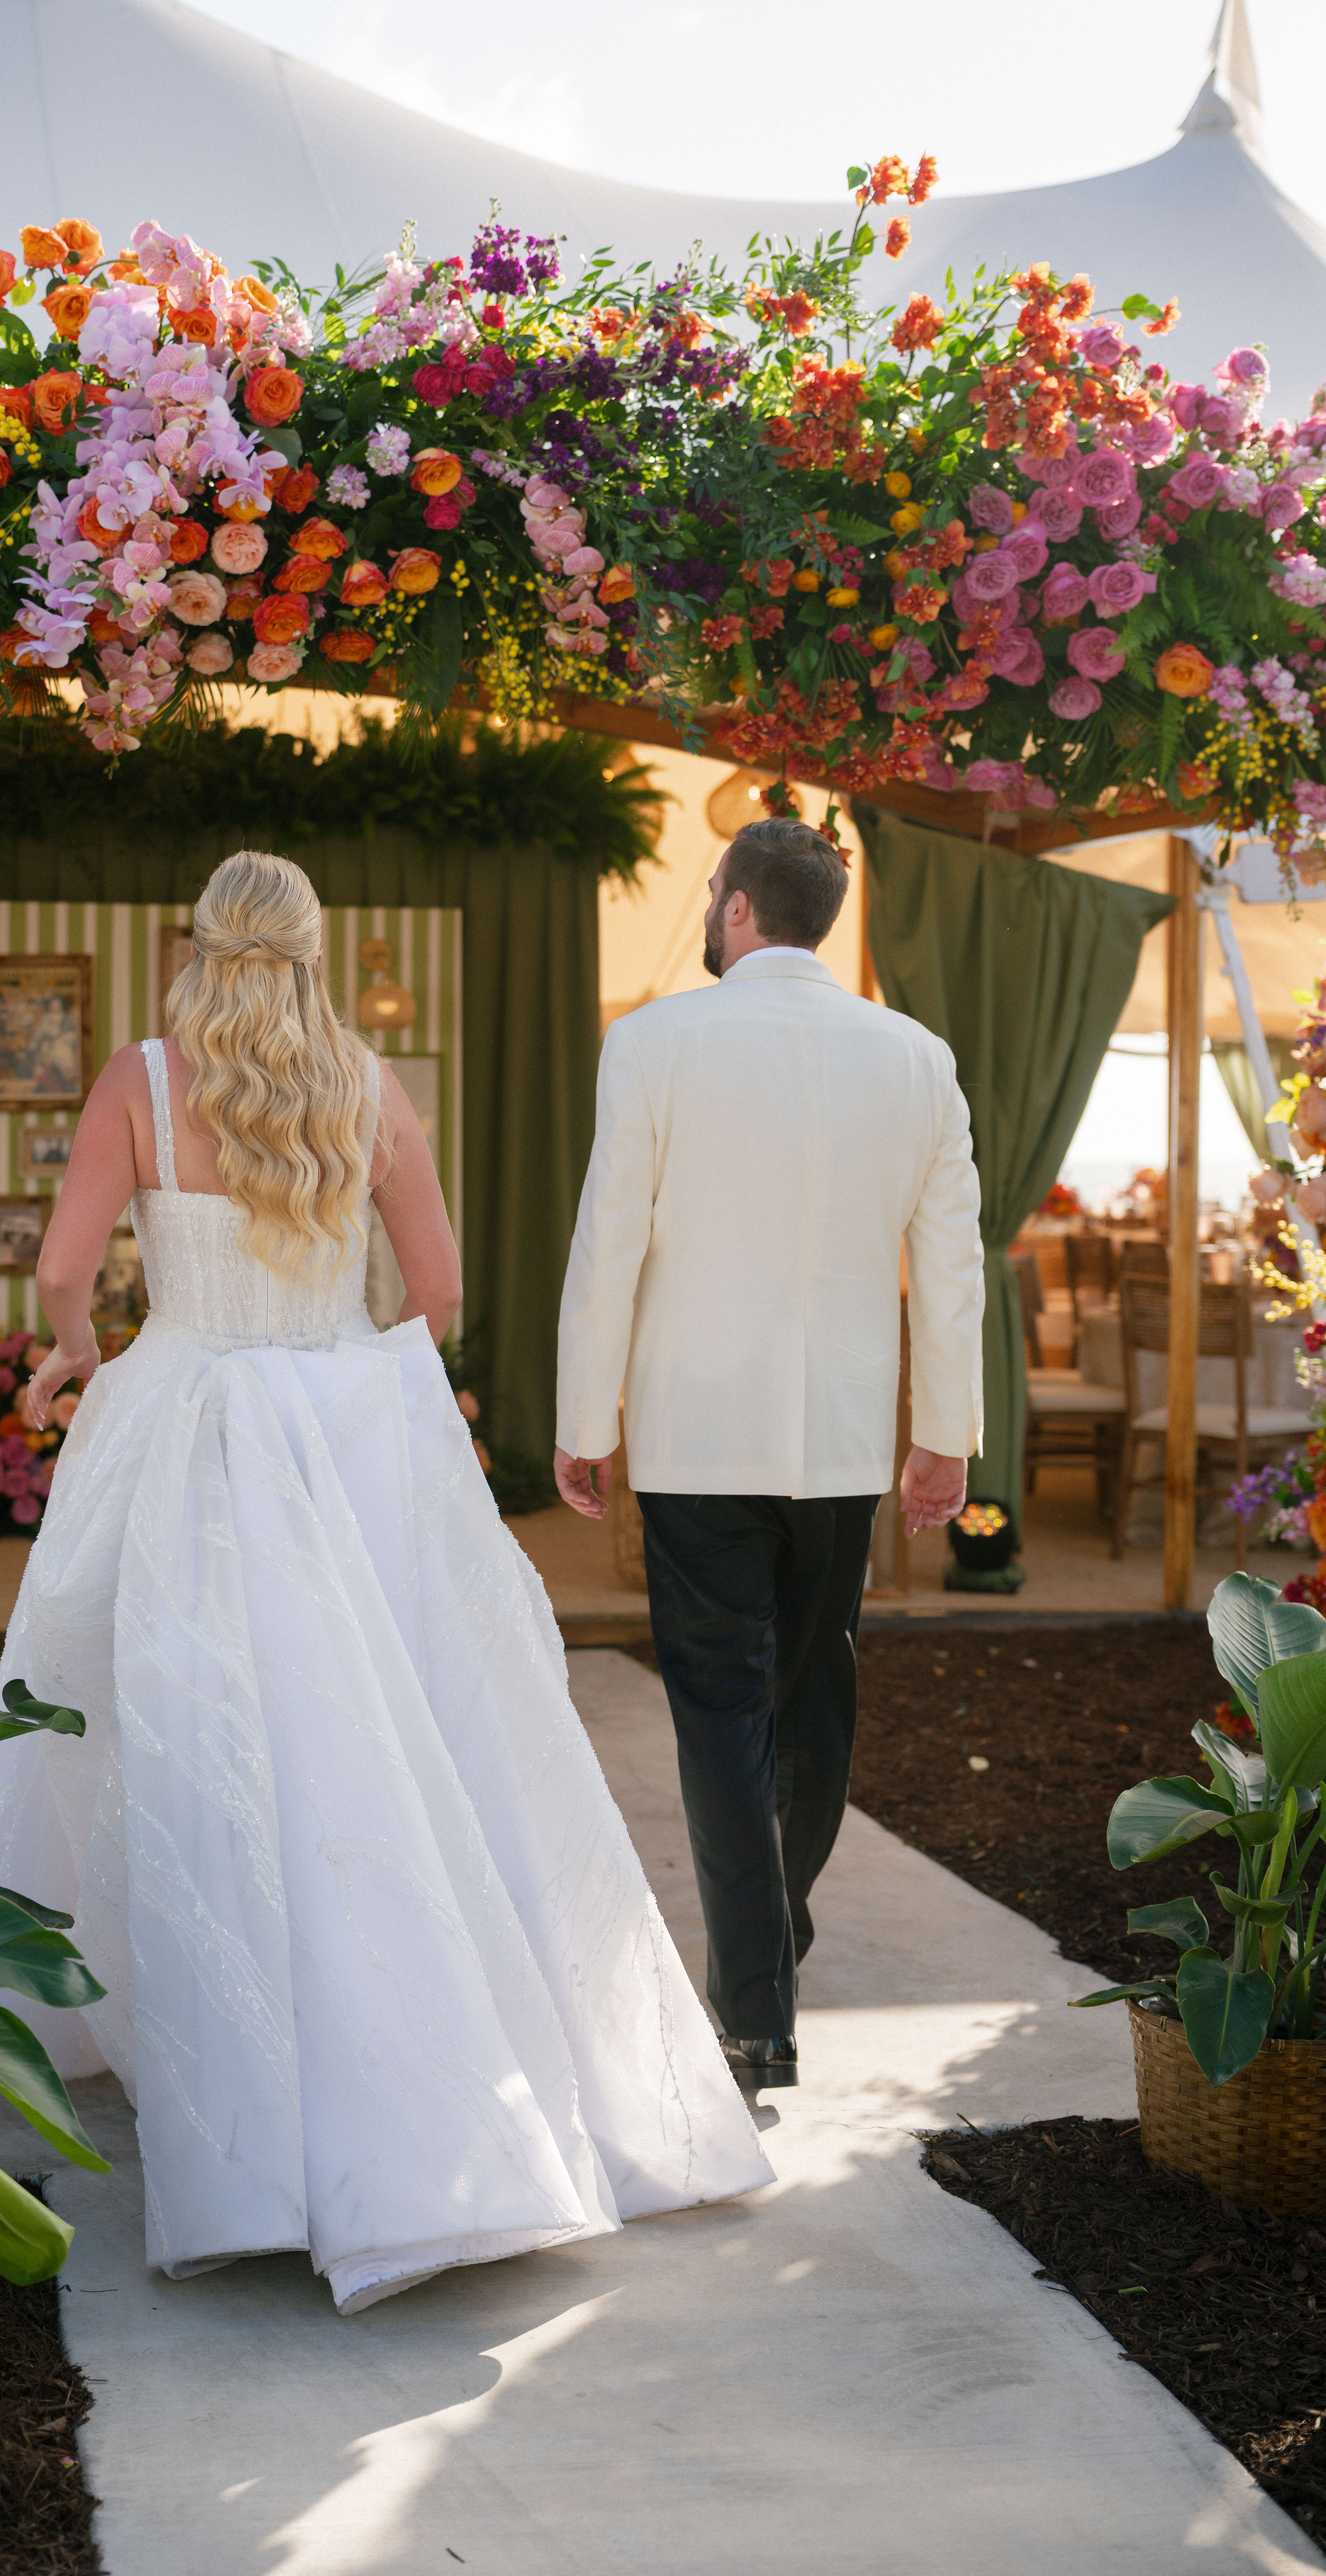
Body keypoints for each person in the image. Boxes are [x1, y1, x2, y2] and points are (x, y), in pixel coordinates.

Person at [0, 849, 771, 2316]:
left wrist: (82, 1347)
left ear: (194, 945)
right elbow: (440, 1293)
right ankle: (433, 2070)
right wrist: (340, 1345)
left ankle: (217, 2070)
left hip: (189, 1420)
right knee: (381, 1740)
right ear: (316, 951)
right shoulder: (365, 1083)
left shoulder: (138, 1082)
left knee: (173, 1730)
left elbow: (65, 1268)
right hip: (340, 1430)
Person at [555, 819, 983, 2097]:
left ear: (737, 908)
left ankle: (753, 2008)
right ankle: (769, 1949)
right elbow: (950, 1269)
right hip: (846, 1438)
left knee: (723, 1710)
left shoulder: (652, 1044)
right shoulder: (917, 1057)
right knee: (815, 1698)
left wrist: (587, 1422)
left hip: (696, 1432)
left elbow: (608, 1242)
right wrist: (945, 1439)